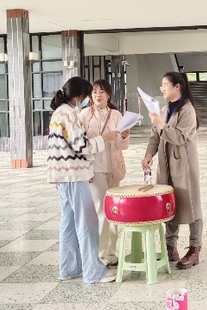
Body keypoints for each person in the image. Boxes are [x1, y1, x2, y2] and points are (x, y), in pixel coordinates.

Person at [47, 76, 116, 284]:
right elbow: (81, 146)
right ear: (79, 95)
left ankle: (69, 269)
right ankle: (94, 272)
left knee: (68, 224)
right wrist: (103, 139)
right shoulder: (70, 114)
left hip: (63, 176)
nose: (88, 98)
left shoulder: (58, 113)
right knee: (87, 223)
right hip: (74, 176)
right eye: (87, 94)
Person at [141, 71, 203, 270]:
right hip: (165, 164)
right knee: (169, 203)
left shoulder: (187, 110)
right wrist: (149, 155)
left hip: (184, 165)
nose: (162, 88)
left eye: (165, 85)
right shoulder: (164, 109)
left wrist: (161, 125)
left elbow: (179, 138)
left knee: (192, 203)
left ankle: (195, 248)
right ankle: (170, 246)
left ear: (178, 87)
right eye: (161, 85)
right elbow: (155, 136)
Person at [79, 79, 130, 267]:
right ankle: (100, 255)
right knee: (102, 211)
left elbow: (122, 146)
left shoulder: (116, 115)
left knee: (114, 211)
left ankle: (111, 253)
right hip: (95, 169)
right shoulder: (84, 115)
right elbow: (81, 145)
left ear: (108, 95)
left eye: (101, 92)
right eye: (94, 92)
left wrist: (124, 136)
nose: (97, 95)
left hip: (113, 169)